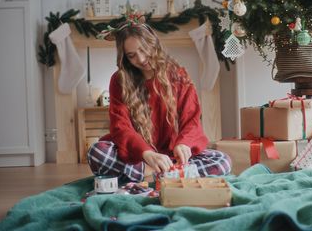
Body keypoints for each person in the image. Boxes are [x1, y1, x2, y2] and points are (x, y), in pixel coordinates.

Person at [88, 16, 232, 182]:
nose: (140, 59)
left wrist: (183, 144)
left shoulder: (178, 74)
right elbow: (121, 126)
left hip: (173, 155)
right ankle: (165, 173)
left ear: (153, 43)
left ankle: (155, 173)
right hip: (140, 157)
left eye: (143, 49)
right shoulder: (119, 80)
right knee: (97, 153)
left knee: (222, 162)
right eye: (132, 55)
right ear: (125, 57)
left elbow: (192, 118)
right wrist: (146, 153)